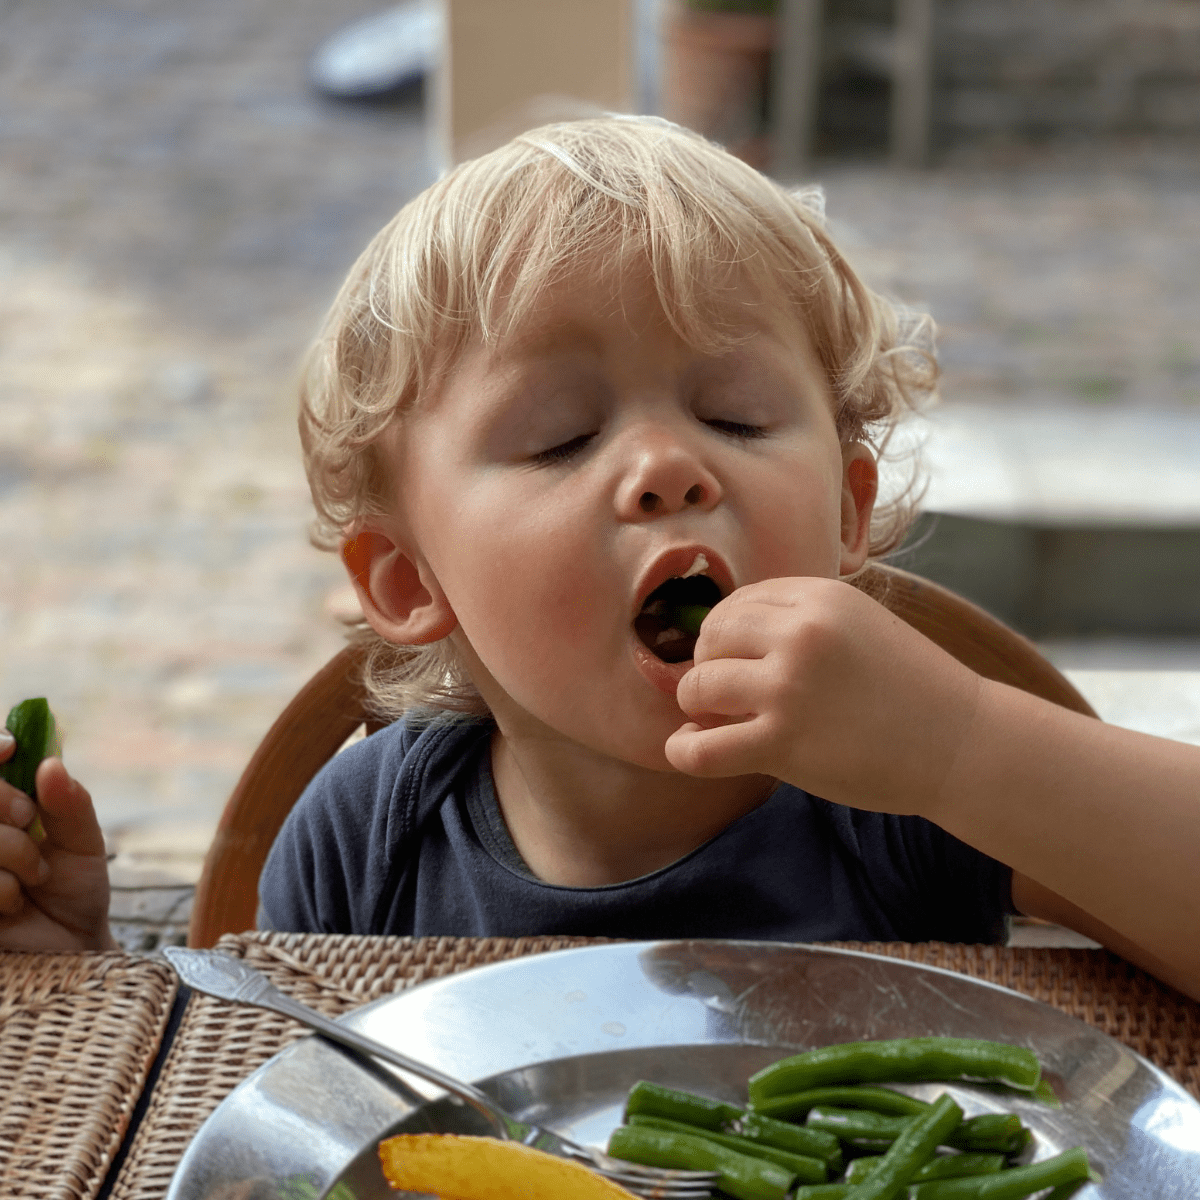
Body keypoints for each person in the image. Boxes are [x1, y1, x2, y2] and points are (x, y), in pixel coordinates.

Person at [1, 117, 1197, 1002]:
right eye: (561, 438)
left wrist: (960, 747)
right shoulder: (371, 834)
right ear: (413, 584)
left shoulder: (899, 798)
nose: (670, 470)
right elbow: (274, 1105)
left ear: (843, 508)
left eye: (735, 415)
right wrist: (74, 976)